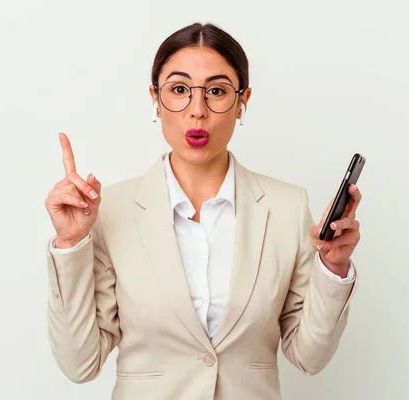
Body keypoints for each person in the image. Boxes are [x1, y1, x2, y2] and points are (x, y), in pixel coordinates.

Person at [44, 22, 362, 400]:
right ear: (156, 99)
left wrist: (334, 268)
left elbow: (310, 356)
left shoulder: (287, 208)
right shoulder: (109, 211)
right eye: (179, 90)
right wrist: (70, 242)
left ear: (243, 101)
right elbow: (80, 363)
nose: (198, 111)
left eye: (216, 91)